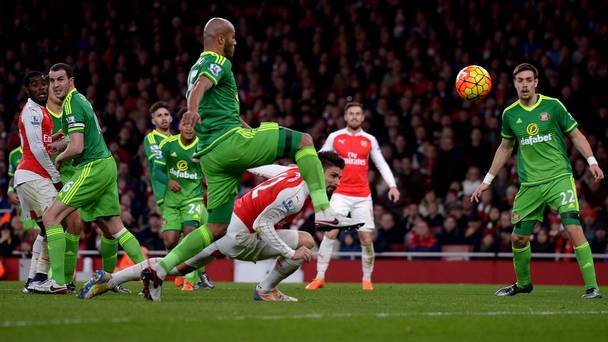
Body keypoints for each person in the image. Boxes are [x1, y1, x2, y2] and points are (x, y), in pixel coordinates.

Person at [177, 17, 363, 272]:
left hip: (215, 157)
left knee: (206, 238)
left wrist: (247, 131)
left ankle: (155, 269)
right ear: (220, 39)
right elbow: (200, 88)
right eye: (232, 37)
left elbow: (214, 104)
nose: (235, 41)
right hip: (244, 218)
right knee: (303, 141)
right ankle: (323, 211)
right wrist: (191, 110)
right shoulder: (218, 60)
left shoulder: (196, 66)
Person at [79, 152, 346, 302]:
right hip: (242, 237)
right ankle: (265, 290)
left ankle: (109, 279)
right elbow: (263, 224)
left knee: (176, 266)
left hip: (221, 223)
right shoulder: (295, 195)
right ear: (319, 170)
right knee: (306, 242)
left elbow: (260, 168)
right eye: (333, 175)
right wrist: (290, 255)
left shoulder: (291, 171)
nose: (335, 182)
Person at [471, 63, 604, 299]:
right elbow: (505, 147)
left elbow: (575, 134)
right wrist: (487, 180)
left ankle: (592, 287)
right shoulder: (510, 114)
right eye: (520, 80)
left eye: (528, 80)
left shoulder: (553, 106)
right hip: (530, 185)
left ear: (536, 82)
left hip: (558, 178)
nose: (524, 84)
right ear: (514, 83)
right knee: (518, 238)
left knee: (573, 228)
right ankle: (523, 284)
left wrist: (592, 160)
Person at [41, 63, 145, 292]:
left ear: (71, 80)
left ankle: (58, 281)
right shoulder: (81, 100)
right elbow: (77, 140)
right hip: (106, 164)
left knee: (51, 218)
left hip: (91, 167)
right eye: (52, 80)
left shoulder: (70, 104)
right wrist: (59, 145)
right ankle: (148, 276)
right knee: (116, 228)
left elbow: (77, 148)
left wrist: (59, 159)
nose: (56, 85)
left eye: (60, 79)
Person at [307, 102, 400, 291]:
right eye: (351, 114)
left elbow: (381, 163)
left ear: (363, 117)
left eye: (358, 113)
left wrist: (392, 185)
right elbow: (320, 157)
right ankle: (319, 277)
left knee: (366, 238)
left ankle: (366, 280)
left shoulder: (369, 140)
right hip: (340, 193)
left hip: (362, 196)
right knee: (330, 232)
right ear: (345, 116)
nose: (355, 116)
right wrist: (305, 168)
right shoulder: (335, 137)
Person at [152, 114, 213, 290]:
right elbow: (157, 171)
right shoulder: (167, 144)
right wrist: (168, 181)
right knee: (170, 241)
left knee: (190, 234)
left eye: (192, 125)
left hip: (192, 198)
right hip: (171, 203)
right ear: (179, 126)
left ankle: (190, 280)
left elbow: (211, 168)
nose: (188, 128)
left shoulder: (203, 146)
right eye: (185, 124)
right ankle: (178, 270)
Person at [12, 72, 59, 293]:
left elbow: (41, 143)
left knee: (44, 228)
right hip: (34, 175)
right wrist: (56, 177)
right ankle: (41, 278)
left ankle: (32, 280)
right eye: (34, 85)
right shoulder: (31, 111)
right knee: (55, 224)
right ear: (26, 90)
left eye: (44, 83)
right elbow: (37, 149)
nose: (42, 88)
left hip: (27, 177)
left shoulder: (40, 111)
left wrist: (55, 139)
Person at [143, 101, 173, 210]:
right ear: (153, 121)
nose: (164, 118)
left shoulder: (177, 140)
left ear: (171, 118)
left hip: (184, 193)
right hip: (165, 194)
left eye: (166, 114)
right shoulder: (151, 138)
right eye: (159, 116)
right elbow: (160, 161)